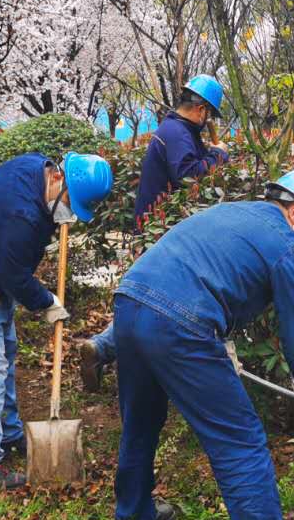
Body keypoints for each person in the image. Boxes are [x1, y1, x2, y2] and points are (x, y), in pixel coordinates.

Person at [109, 167, 294, 520]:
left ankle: (133, 511)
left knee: (141, 420)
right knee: (240, 441)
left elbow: (205, 273)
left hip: (130, 300)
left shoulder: (235, 212)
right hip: (180, 324)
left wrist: (221, 340)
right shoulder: (288, 246)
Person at [0, 151, 113, 490]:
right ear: (58, 178)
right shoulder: (21, 214)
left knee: (6, 356)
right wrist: (45, 302)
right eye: (70, 201)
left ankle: (10, 434)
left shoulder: (36, 167)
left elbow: (11, 265)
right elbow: (12, 272)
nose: (69, 212)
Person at [79, 74, 229, 389]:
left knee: (147, 301)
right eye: (210, 115)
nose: (208, 121)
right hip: (157, 232)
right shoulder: (176, 133)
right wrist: (218, 155)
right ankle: (106, 348)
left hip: (160, 229)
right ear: (201, 110)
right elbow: (188, 175)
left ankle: (105, 349)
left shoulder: (178, 130)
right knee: (152, 302)